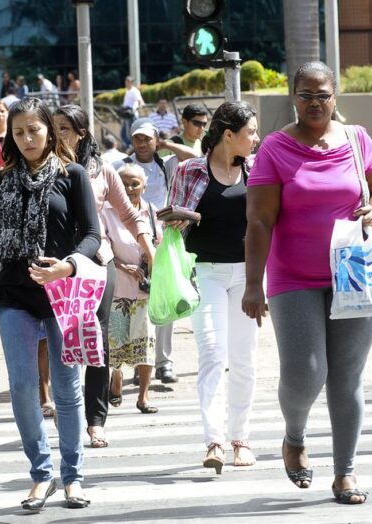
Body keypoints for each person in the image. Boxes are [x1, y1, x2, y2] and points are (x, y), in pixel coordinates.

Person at [243, 61, 372, 504]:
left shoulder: (356, 138)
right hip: (293, 276)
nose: (314, 103)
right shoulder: (275, 147)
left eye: (322, 94)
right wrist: (254, 284)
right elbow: (259, 219)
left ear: (335, 95)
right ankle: (294, 436)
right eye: (306, 95)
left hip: (353, 272)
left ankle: (345, 472)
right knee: (307, 372)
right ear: (293, 96)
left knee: (346, 377)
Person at [0, 97, 100, 510]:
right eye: (18, 132)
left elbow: (93, 236)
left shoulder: (73, 175)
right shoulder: (1, 181)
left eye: (34, 130)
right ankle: (41, 474)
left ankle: (73, 476)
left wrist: (69, 266)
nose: (26, 138)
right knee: (24, 390)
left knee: (67, 389)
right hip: (14, 298)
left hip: (64, 295)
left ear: (50, 131)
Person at [165, 101, 261, 473]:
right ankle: (215, 441)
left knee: (244, 359)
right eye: (250, 132)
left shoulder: (256, 171)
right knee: (212, 355)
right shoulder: (190, 170)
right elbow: (172, 220)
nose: (255, 138)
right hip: (205, 271)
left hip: (248, 276)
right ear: (228, 135)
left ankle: (241, 438)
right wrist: (181, 219)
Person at [53, 104, 155, 449]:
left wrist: (148, 248)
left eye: (64, 129)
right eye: (53, 128)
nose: (57, 135)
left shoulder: (103, 171)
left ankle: (95, 421)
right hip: (57, 267)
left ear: (81, 134)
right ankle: (65, 409)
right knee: (61, 341)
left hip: (98, 264)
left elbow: (129, 214)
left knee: (98, 342)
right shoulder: (43, 169)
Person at [113, 118, 180, 385]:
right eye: (137, 138)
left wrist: (165, 144)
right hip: (126, 242)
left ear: (155, 140)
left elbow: (197, 155)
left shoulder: (166, 164)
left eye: (147, 138)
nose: (142, 143)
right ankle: (136, 364)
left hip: (159, 239)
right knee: (130, 305)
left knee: (162, 302)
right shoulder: (120, 167)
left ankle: (163, 362)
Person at [106, 164, 162, 415]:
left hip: (145, 291)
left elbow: (159, 246)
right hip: (117, 288)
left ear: (144, 186)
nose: (129, 189)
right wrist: (124, 266)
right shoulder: (106, 212)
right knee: (116, 341)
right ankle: (116, 377)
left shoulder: (152, 212)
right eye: (124, 183)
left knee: (146, 342)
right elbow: (101, 247)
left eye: (134, 184)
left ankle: (144, 396)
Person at [120, 76, 143, 148]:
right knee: (123, 134)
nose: (127, 83)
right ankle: (129, 147)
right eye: (126, 82)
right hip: (126, 114)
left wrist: (134, 109)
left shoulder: (134, 91)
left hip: (131, 115)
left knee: (131, 133)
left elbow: (140, 101)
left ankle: (132, 147)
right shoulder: (128, 91)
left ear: (131, 83)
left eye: (128, 82)